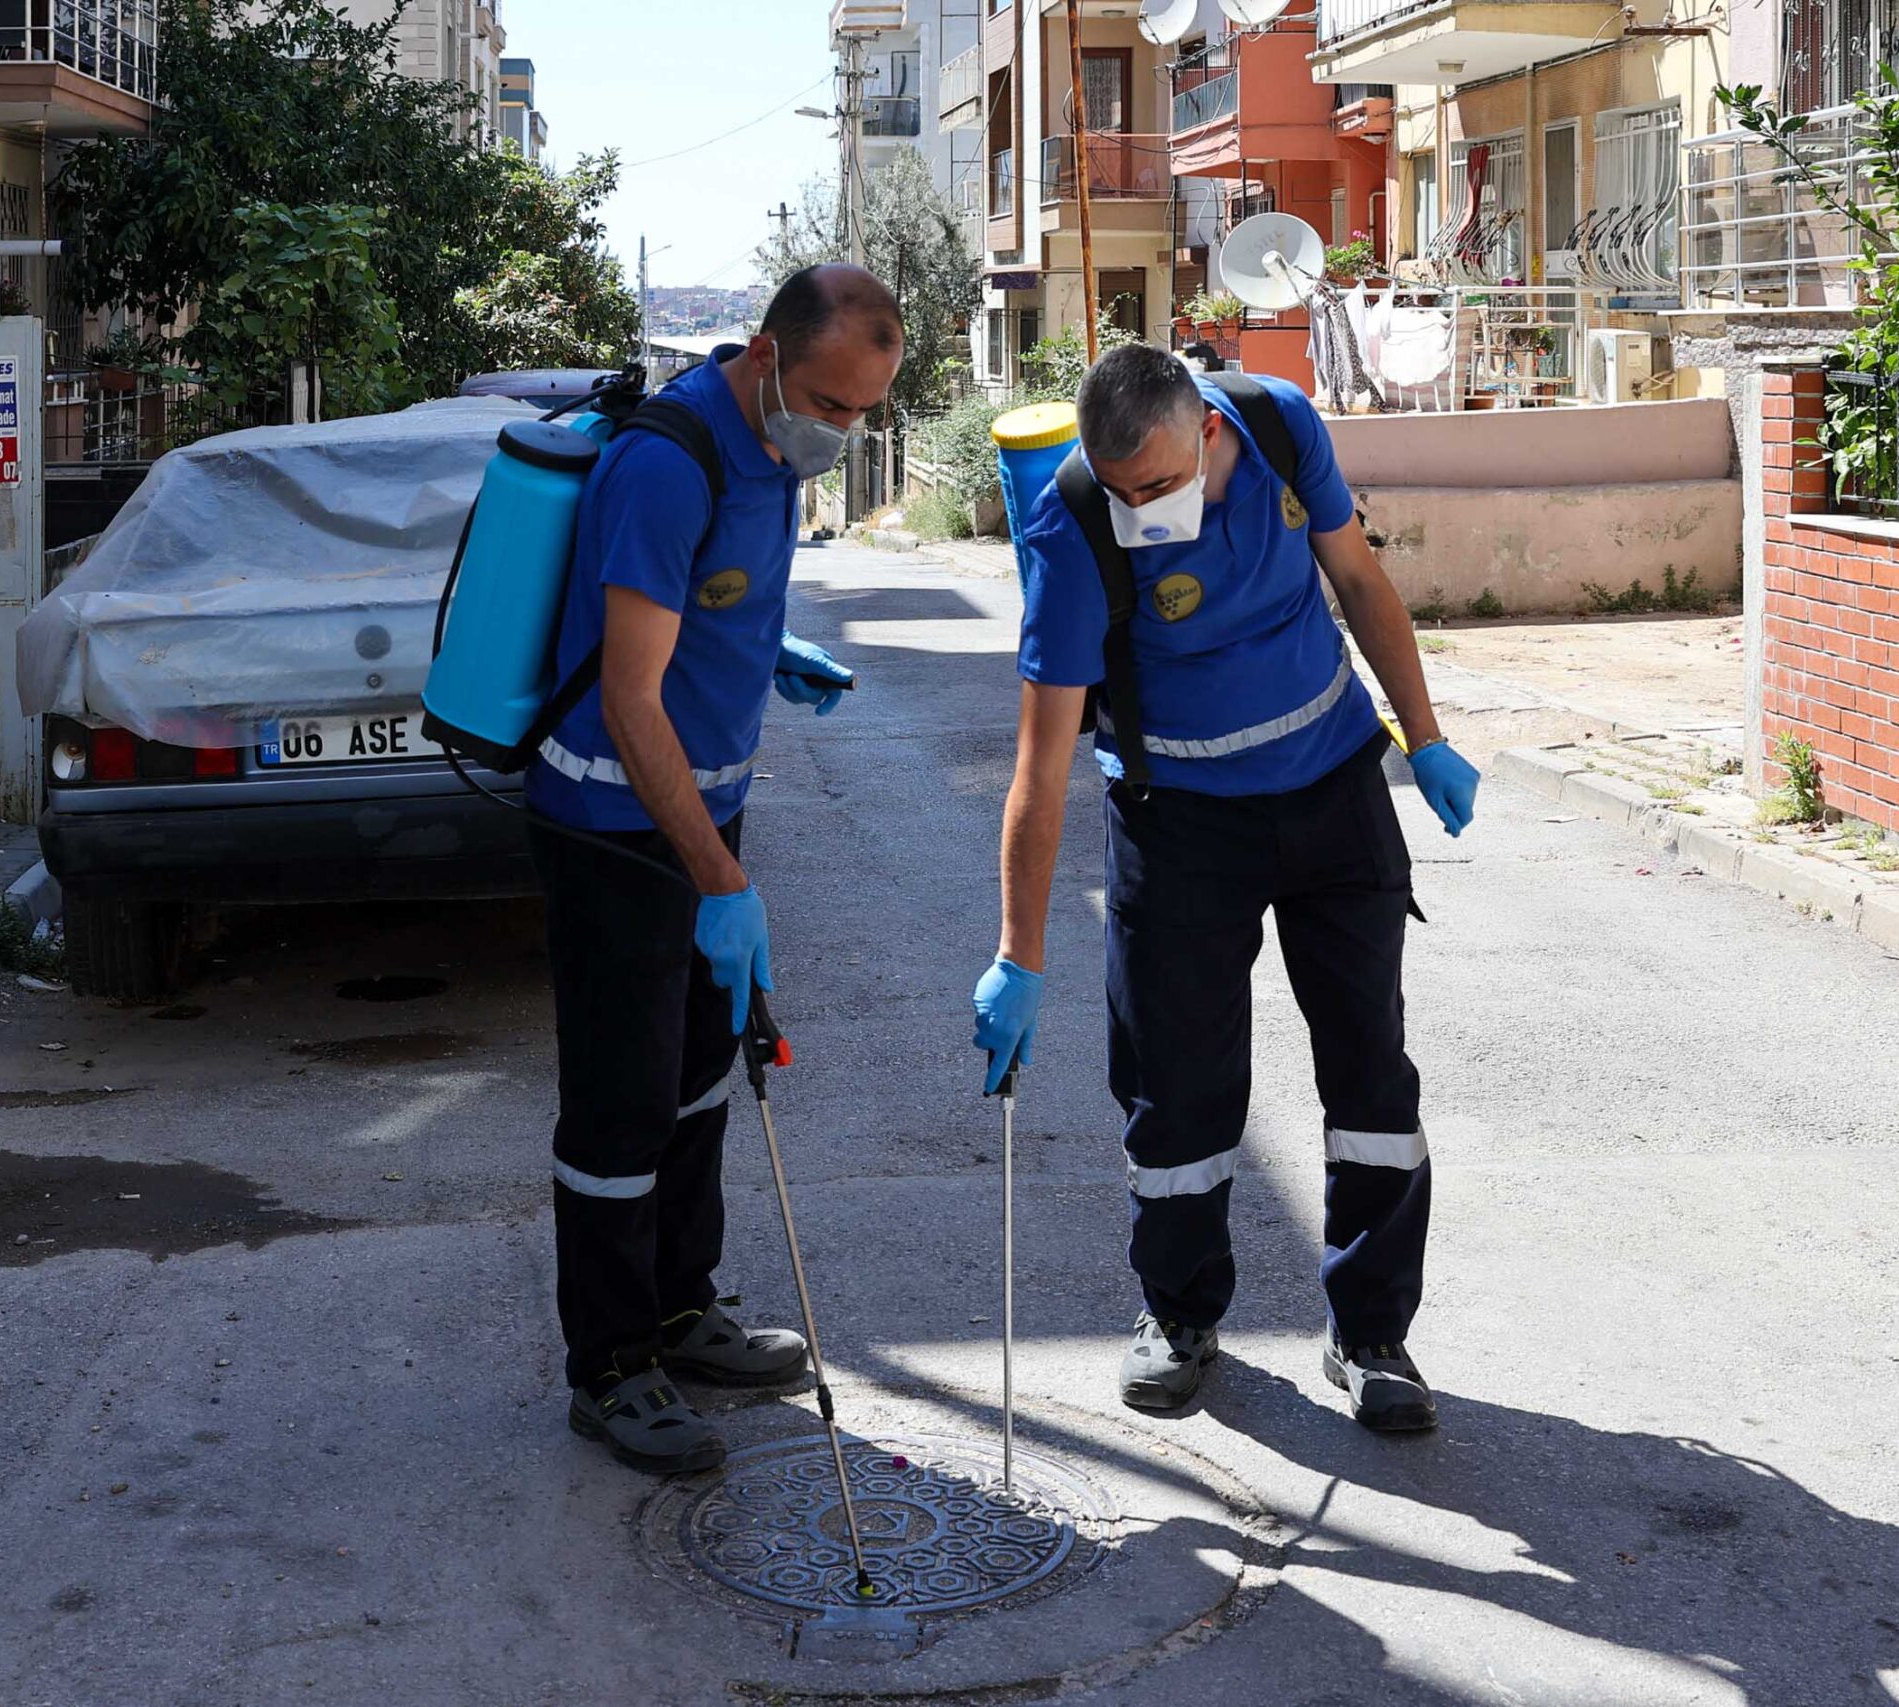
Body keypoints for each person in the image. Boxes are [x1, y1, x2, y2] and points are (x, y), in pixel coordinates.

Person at [969, 344, 1479, 1432]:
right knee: (1179, 1090)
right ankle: (1179, 1317)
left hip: (1334, 789)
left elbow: (1358, 581)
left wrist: (1423, 739)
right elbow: (1041, 761)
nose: (1139, 509)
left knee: (1370, 1074)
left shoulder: (1280, 425)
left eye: (1155, 486)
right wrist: (1019, 951)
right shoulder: (1074, 522)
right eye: (1121, 492)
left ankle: (1371, 1333)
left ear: (1204, 430)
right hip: (1179, 819)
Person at [527, 265, 904, 1475]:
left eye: (863, 415)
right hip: (612, 821)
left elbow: (706, 604)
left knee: (698, 1074)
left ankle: (681, 1313)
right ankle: (611, 1369)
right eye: (828, 404)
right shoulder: (665, 462)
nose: (840, 433)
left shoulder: (775, 458)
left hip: (704, 810)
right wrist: (722, 885)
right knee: (622, 1102)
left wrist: (764, 650)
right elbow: (631, 705)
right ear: (763, 355)